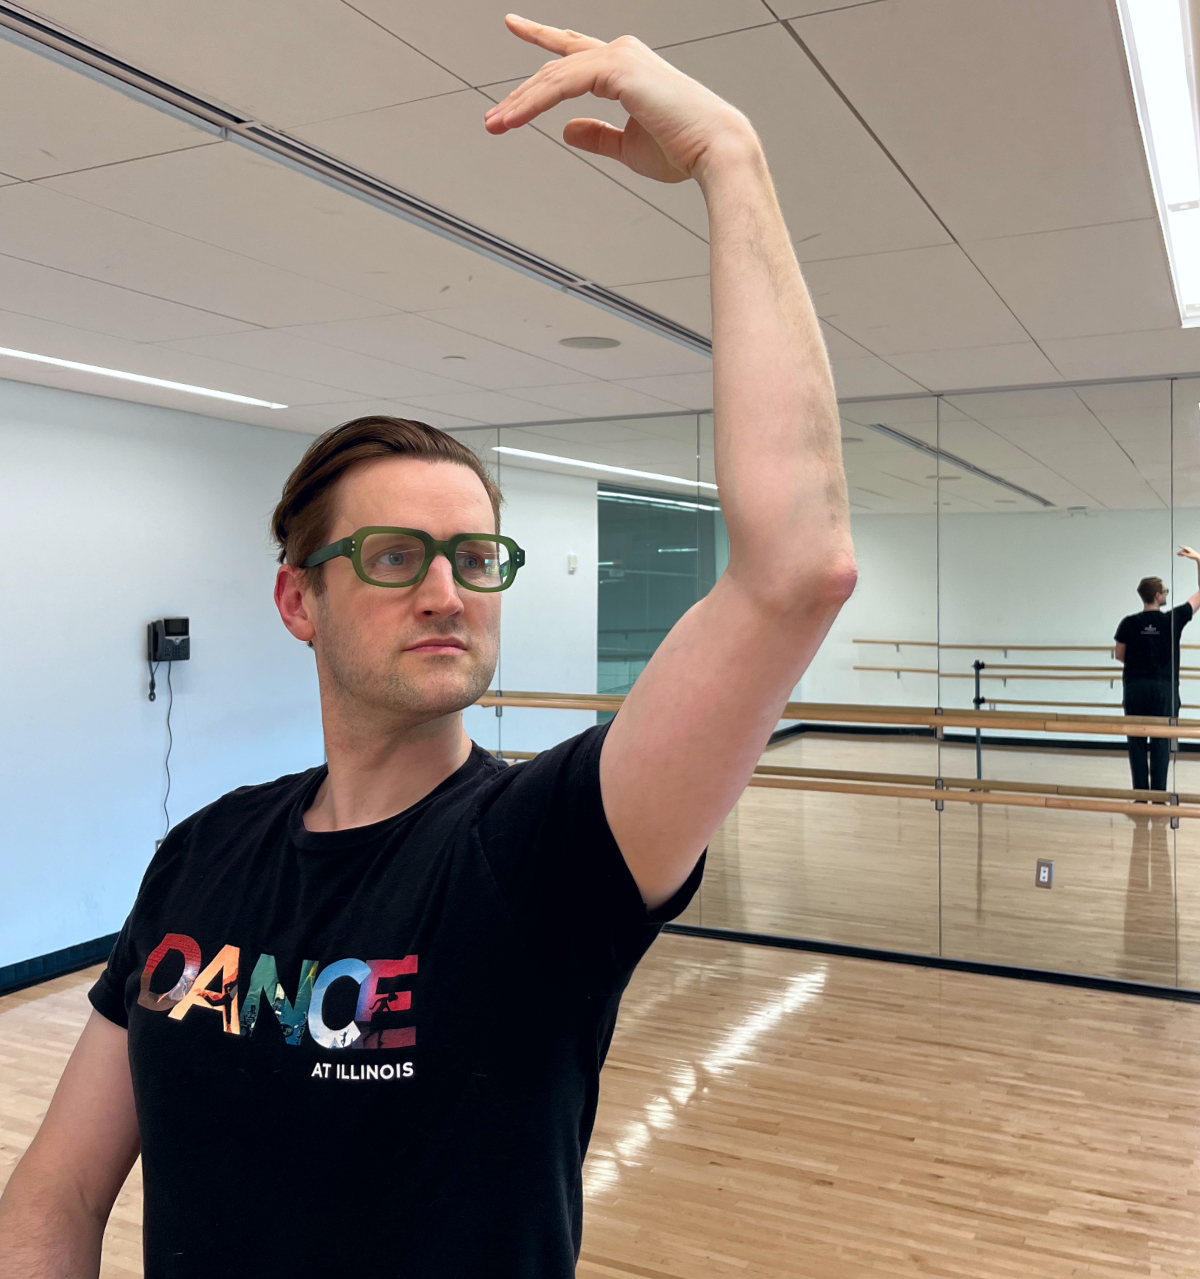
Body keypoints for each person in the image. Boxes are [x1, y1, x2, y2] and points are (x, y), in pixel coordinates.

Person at [0, 15, 856, 1279]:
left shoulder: (545, 852)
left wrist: (733, 155)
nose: (448, 590)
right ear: (300, 601)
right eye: (396, 558)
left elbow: (797, 569)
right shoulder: (202, 852)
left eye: (475, 557)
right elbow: (52, 1199)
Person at [1114, 546, 1200, 793]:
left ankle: (1141, 796)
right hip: (1164, 688)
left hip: (1135, 686)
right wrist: (1198, 560)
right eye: (1165, 591)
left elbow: (1120, 655)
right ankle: (1159, 796)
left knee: (1137, 742)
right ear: (1159, 596)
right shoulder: (1173, 619)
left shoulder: (1129, 622)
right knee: (1162, 742)